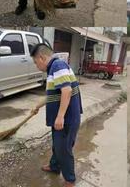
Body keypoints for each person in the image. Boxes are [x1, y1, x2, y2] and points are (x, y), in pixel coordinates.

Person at [30, 43, 83, 187]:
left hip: (67, 119)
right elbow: (53, 95)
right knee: (57, 145)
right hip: (62, 118)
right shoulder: (54, 68)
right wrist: (37, 106)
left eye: (35, 62)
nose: (36, 66)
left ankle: (70, 180)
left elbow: (66, 91)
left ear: (41, 57)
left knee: (63, 149)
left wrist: (60, 117)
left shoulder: (57, 66)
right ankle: (54, 166)